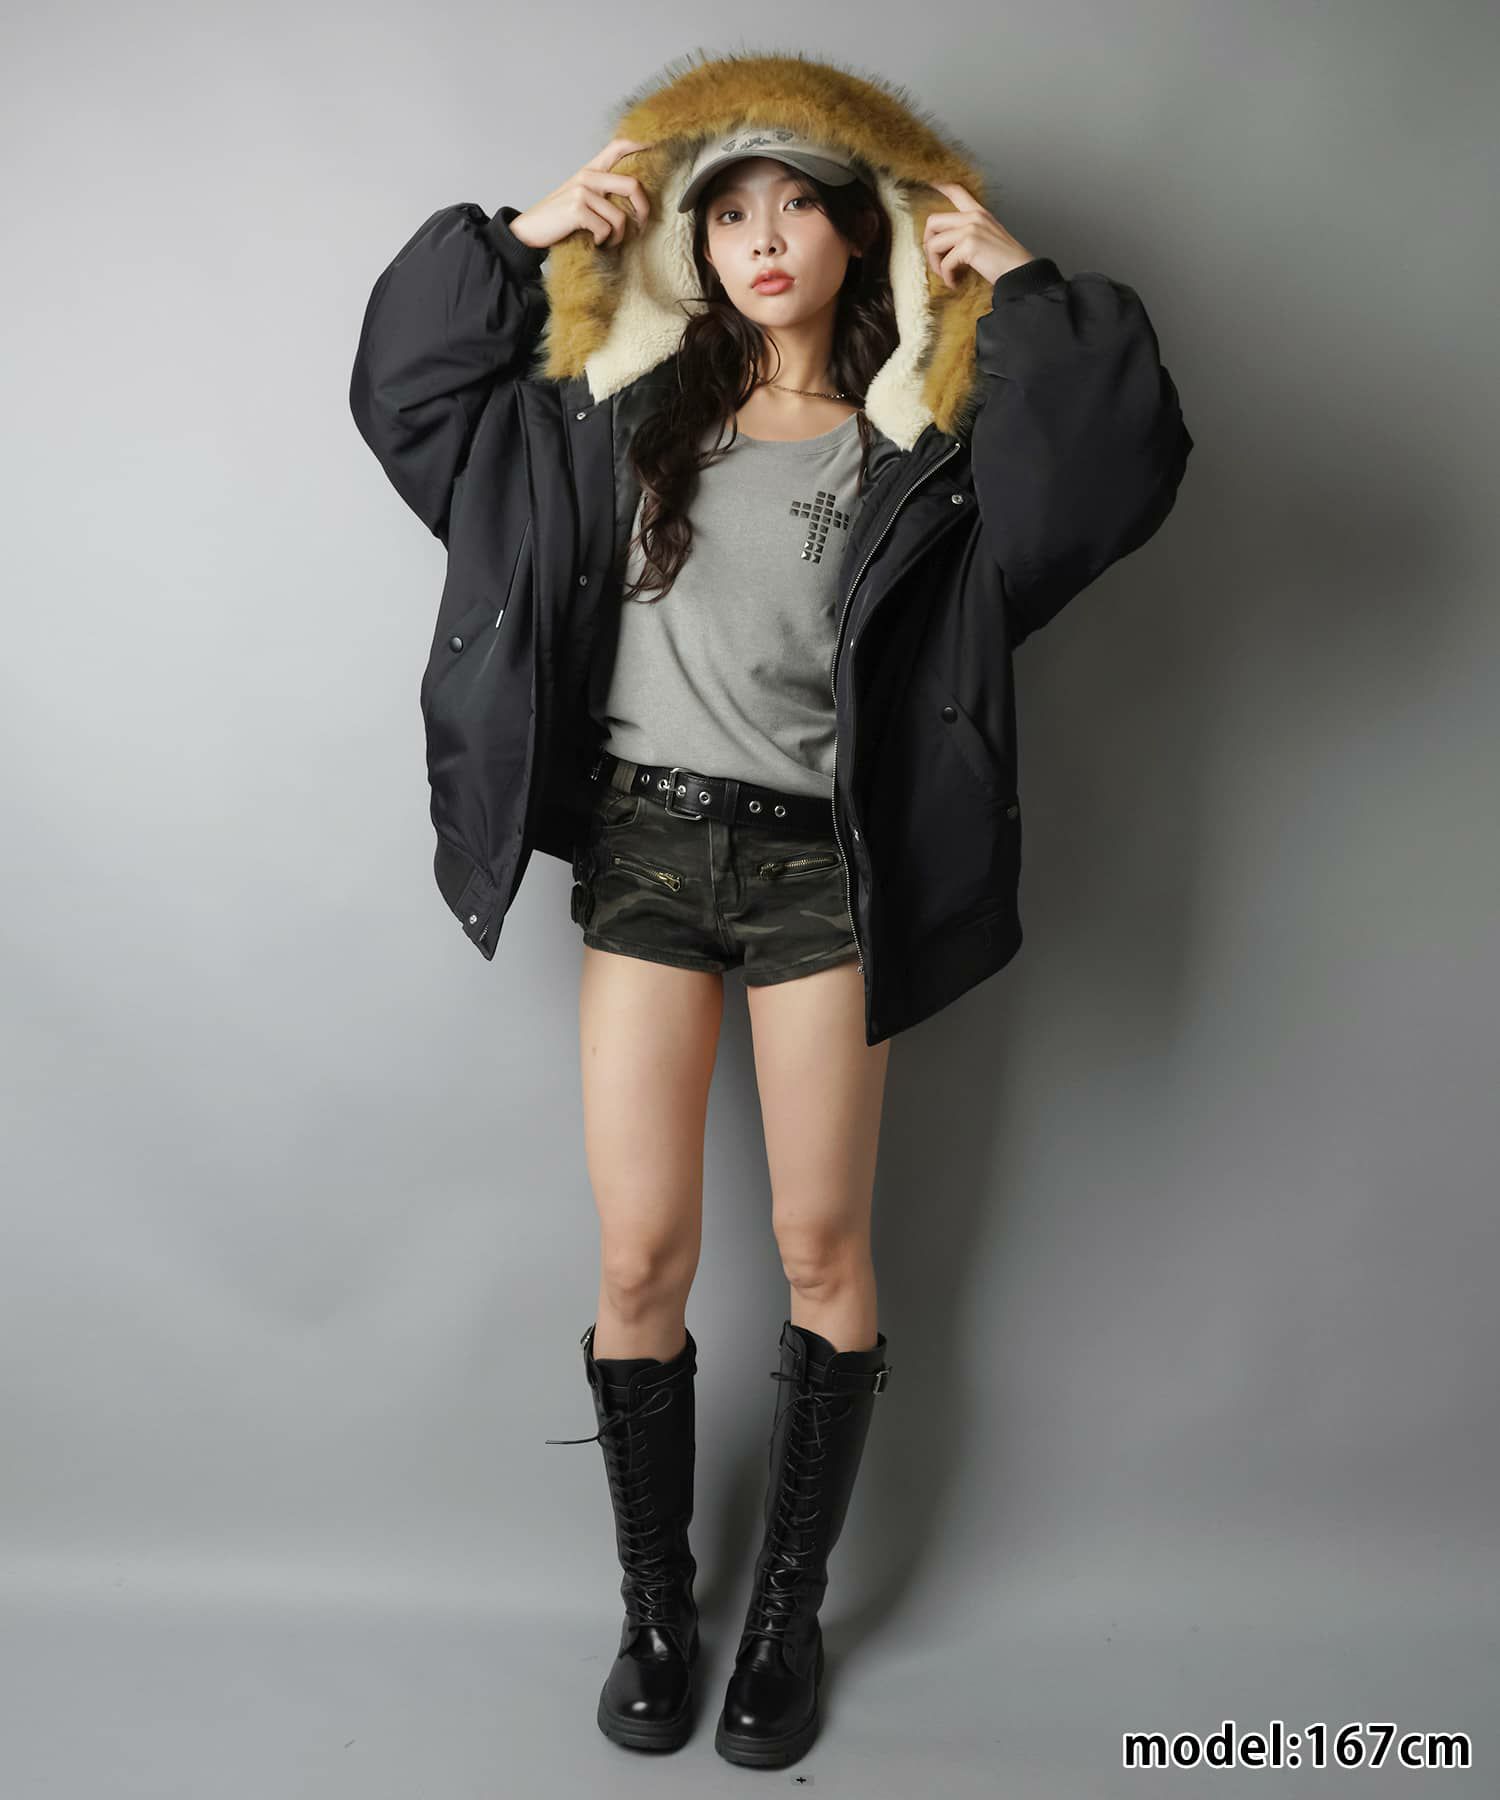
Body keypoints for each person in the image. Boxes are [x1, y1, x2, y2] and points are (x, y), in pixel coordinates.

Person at [349, 49, 1193, 1770]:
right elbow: (405, 390)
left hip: (825, 869)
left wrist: (1019, 277)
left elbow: (1118, 464)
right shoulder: (605, 426)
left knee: (822, 1249)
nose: (761, 238)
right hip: (646, 859)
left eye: (797, 205)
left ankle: (786, 1615)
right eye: (727, 210)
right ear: (691, 240)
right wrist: (522, 238)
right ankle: (657, 1610)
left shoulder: (926, 457)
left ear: (856, 232)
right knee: (641, 1257)